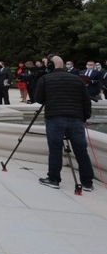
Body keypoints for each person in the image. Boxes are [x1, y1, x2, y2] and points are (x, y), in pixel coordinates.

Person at [34, 55, 94, 192]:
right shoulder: (77, 79)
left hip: (55, 118)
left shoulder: (45, 79)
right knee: (81, 151)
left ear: (50, 65)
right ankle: (87, 183)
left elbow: (39, 99)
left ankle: (54, 179)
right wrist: (84, 117)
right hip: (76, 119)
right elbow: (86, 102)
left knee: (55, 149)